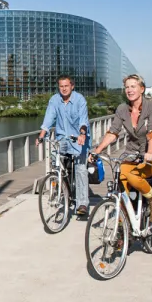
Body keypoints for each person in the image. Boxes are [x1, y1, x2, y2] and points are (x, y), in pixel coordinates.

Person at [91, 74, 152, 224]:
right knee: (120, 179)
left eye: (133, 86)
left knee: (133, 176)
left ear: (142, 89)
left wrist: (150, 152)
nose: (129, 90)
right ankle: (124, 224)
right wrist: (97, 150)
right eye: (127, 87)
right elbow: (113, 132)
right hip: (131, 154)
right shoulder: (122, 109)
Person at [36, 75, 91, 217]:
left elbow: (83, 120)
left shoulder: (80, 100)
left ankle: (82, 203)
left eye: (66, 86)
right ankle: (62, 187)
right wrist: (41, 136)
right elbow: (49, 118)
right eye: (61, 86)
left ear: (72, 86)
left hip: (79, 138)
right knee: (56, 161)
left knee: (80, 169)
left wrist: (82, 133)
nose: (64, 88)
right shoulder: (54, 100)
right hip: (63, 139)